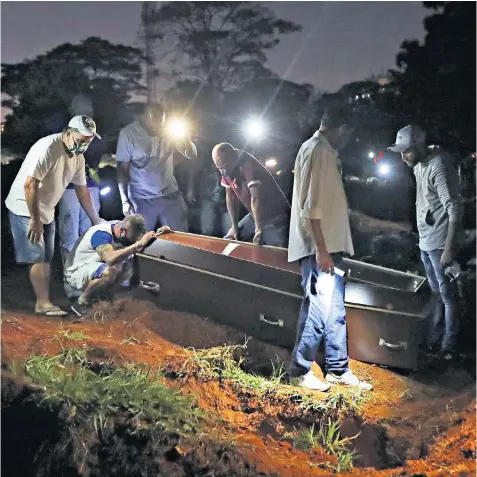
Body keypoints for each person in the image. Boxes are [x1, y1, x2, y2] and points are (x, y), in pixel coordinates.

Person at [287, 105, 372, 392]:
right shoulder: (320, 152)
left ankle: (337, 368)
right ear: (342, 128)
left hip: (327, 244)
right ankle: (299, 370)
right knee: (317, 307)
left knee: (333, 309)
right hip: (320, 246)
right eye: (348, 134)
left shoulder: (313, 148)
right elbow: (311, 208)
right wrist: (321, 250)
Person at [5, 115, 103, 317]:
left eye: (89, 140)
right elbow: (29, 184)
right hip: (25, 205)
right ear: (68, 132)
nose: (85, 143)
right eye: (82, 138)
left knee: (46, 256)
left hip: (47, 208)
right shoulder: (49, 147)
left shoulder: (78, 158)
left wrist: (95, 218)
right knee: (37, 255)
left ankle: (44, 300)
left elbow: (82, 190)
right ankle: (42, 303)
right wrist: (34, 219)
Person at [388, 125, 461, 360]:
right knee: (437, 294)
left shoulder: (438, 166)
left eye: (406, 151)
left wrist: (448, 249)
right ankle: (434, 341)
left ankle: (449, 347)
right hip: (427, 242)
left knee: (448, 296)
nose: (402, 157)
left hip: (440, 244)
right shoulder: (419, 164)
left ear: (418, 146)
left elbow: (455, 208)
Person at [116, 103, 197, 232]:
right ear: (144, 118)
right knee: (139, 241)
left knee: (181, 236)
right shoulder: (128, 134)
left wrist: (184, 138)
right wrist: (125, 200)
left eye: (160, 121)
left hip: (169, 193)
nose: (156, 126)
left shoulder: (170, 131)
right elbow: (122, 169)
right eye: (153, 121)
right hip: (140, 197)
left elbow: (191, 154)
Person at [64, 214, 157, 317]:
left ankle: (102, 298)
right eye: (130, 240)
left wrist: (159, 234)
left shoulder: (123, 227)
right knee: (109, 271)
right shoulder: (101, 234)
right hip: (77, 273)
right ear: (122, 231)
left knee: (126, 267)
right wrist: (136, 246)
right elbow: (110, 259)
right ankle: (80, 302)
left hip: (94, 268)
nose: (130, 243)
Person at [212, 143, 290, 247]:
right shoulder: (226, 170)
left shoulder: (249, 165)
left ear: (233, 159)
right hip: (253, 216)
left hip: (276, 220)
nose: (222, 172)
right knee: (229, 240)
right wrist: (234, 226)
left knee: (278, 255)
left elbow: (255, 198)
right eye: (219, 168)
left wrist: (258, 229)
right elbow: (230, 197)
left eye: (224, 167)